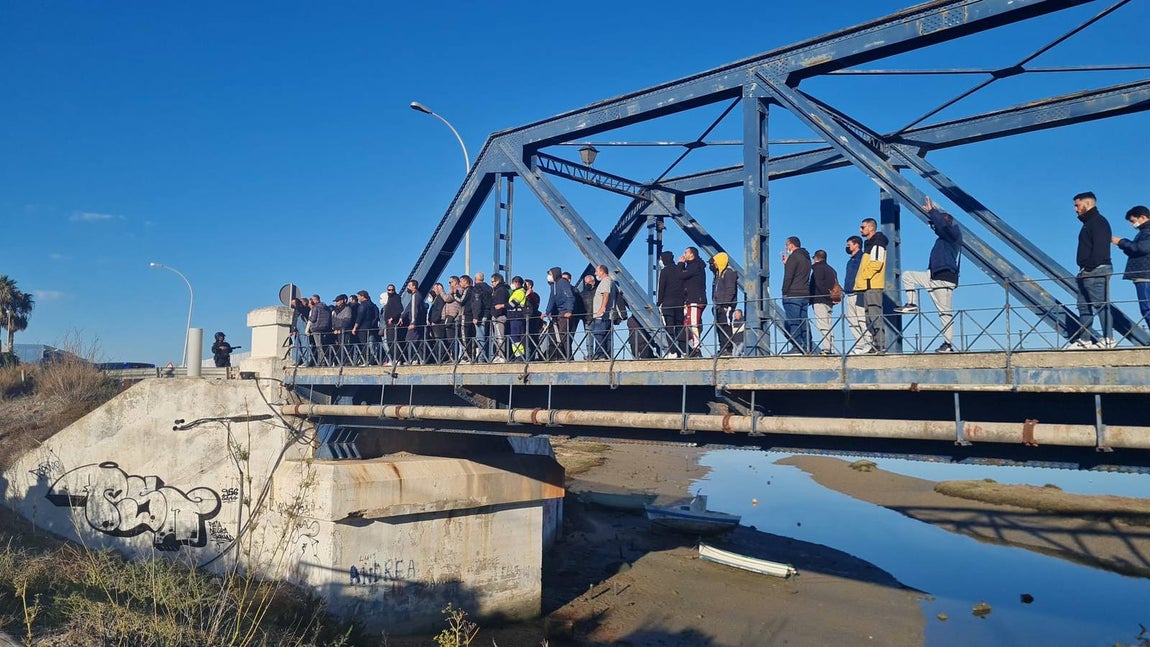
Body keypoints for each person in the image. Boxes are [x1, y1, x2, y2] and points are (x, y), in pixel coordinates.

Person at [893, 197, 962, 353]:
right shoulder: (944, 238)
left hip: (944, 278)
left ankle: (948, 345)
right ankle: (911, 304)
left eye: (934, 224)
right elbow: (941, 226)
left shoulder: (953, 234)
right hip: (933, 275)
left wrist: (932, 212)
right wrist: (934, 213)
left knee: (944, 313)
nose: (933, 227)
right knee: (908, 276)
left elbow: (942, 226)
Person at [1067, 191, 1114, 349]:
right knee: (1084, 306)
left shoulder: (1098, 222)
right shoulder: (1090, 223)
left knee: (1100, 304)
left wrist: (1088, 268)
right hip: (1086, 271)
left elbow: (1100, 249)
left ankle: (1108, 339)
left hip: (1096, 270)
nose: (1075, 209)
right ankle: (1085, 340)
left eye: (1077, 205)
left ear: (1087, 204)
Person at [1113, 205, 1150, 328]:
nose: (1132, 224)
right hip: (1144, 274)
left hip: (1145, 275)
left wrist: (1121, 242)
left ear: (1143, 217)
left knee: (1147, 308)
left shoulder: (1147, 232)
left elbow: (1140, 248)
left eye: (1133, 221)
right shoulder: (1144, 232)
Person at [856, 218, 888, 354]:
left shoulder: (877, 243)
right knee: (869, 316)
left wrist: (865, 275)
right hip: (868, 285)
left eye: (862, 227)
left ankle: (881, 344)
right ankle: (876, 344)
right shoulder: (870, 244)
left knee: (874, 315)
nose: (860, 230)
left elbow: (876, 263)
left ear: (870, 228)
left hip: (872, 284)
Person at [781, 236, 812, 354]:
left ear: (791, 244)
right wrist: (786, 264)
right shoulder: (806, 258)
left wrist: (784, 291)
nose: (786, 247)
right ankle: (807, 345)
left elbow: (789, 276)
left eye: (787, 244)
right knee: (804, 321)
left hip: (793, 294)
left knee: (793, 321)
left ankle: (797, 347)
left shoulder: (793, 257)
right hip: (804, 293)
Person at [842, 236, 872, 354]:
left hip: (859, 293)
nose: (847, 247)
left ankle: (868, 343)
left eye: (849, 244)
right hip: (849, 293)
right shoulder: (851, 260)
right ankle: (859, 345)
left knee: (862, 319)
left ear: (856, 245)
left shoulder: (862, 258)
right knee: (852, 322)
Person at [656, 250, 686, 358]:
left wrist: (659, 302)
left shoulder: (665, 271)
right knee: (679, 327)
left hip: (668, 304)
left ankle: (673, 351)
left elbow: (661, 288)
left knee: (669, 328)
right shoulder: (679, 269)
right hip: (679, 303)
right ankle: (683, 351)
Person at [809, 249, 838, 355]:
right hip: (830, 301)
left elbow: (818, 284)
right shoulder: (832, 270)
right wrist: (831, 297)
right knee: (829, 324)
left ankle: (826, 348)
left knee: (823, 325)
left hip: (819, 299)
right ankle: (832, 348)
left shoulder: (817, 269)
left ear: (816, 258)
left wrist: (819, 295)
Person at [680, 247, 707, 357]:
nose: (684, 254)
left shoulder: (695, 266)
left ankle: (696, 348)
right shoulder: (695, 266)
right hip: (692, 299)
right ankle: (692, 346)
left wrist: (680, 264)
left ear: (692, 254)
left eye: (685, 252)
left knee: (693, 323)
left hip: (695, 299)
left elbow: (681, 276)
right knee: (689, 323)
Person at [710, 252, 738, 356]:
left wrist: (726, 304)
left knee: (725, 325)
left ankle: (728, 348)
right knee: (719, 327)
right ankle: (722, 347)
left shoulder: (728, 273)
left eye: (716, 262)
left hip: (726, 305)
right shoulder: (719, 274)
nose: (714, 265)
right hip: (718, 304)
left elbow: (731, 289)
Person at [544, 267, 575, 360]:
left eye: (550, 274)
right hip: (558, 313)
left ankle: (568, 356)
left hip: (564, 312)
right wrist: (547, 312)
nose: (548, 276)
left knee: (563, 335)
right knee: (555, 335)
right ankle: (557, 356)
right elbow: (552, 299)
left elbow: (570, 297)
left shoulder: (562, 283)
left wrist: (569, 310)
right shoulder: (554, 285)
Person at [590, 265, 615, 359]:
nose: (595, 273)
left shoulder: (606, 281)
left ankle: (600, 354)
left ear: (602, 272)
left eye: (596, 271)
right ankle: (605, 354)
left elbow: (606, 294)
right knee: (605, 334)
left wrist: (602, 307)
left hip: (601, 314)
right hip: (605, 314)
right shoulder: (609, 281)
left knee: (599, 333)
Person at [352, 290, 379, 365]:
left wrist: (355, 327)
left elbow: (359, 317)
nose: (358, 298)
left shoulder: (363, 305)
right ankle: (373, 360)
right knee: (372, 345)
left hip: (363, 327)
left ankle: (366, 360)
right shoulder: (373, 305)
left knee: (364, 345)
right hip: (372, 327)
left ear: (362, 296)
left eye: (359, 296)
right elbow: (377, 316)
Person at [380, 284, 404, 364]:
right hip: (388, 324)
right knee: (389, 342)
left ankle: (397, 359)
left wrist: (393, 318)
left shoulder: (396, 297)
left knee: (393, 341)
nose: (391, 291)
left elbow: (400, 309)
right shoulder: (389, 299)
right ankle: (393, 359)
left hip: (392, 323)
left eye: (392, 290)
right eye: (389, 290)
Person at [472, 273, 493, 361]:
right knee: (488, 336)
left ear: (475, 279)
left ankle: (482, 357)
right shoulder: (489, 288)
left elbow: (477, 302)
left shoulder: (477, 288)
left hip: (481, 315)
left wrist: (476, 316)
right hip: (489, 313)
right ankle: (488, 356)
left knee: (480, 336)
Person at [507, 276, 529, 360]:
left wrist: (502, 305)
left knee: (515, 337)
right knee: (514, 337)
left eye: (513, 282)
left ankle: (520, 355)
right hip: (514, 317)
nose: (512, 284)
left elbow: (513, 304)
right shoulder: (515, 292)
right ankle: (518, 355)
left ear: (517, 283)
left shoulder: (520, 292)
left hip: (517, 317)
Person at [307, 294, 333, 366]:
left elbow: (313, 318)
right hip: (325, 328)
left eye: (312, 299)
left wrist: (308, 320)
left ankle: (322, 362)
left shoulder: (315, 307)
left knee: (319, 346)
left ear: (315, 299)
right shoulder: (326, 307)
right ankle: (324, 361)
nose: (311, 301)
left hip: (316, 328)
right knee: (323, 345)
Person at [490, 273, 510, 362]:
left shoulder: (500, 290)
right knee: (497, 337)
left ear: (497, 281)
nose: (492, 283)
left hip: (499, 316)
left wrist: (496, 314)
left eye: (493, 281)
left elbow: (500, 303)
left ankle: (502, 356)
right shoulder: (499, 290)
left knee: (500, 337)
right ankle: (499, 354)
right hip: (498, 315)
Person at [330, 294, 354, 365]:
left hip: (345, 330)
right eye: (336, 301)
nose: (336, 302)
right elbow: (333, 320)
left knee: (345, 345)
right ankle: (339, 360)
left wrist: (341, 328)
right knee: (338, 346)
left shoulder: (347, 308)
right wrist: (334, 328)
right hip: (336, 331)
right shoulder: (335, 310)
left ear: (343, 301)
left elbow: (347, 320)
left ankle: (346, 361)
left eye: (338, 301)